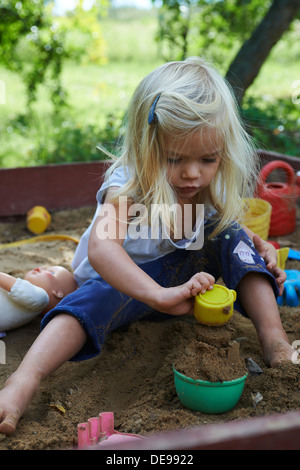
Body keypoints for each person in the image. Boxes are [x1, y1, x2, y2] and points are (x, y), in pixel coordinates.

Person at [0, 57, 295, 436]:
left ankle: (276, 342)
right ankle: (23, 381)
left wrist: (256, 247)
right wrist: (156, 294)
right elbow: (103, 250)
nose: (193, 173)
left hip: (181, 289)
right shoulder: (128, 184)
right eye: (175, 159)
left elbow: (218, 226)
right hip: (122, 287)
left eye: (208, 159)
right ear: (145, 146)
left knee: (231, 237)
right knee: (86, 302)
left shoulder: (207, 180)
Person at [0, 266, 77, 333]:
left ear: (57, 293)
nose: (42, 267)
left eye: (51, 272)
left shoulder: (42, 298)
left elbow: (17, 287)